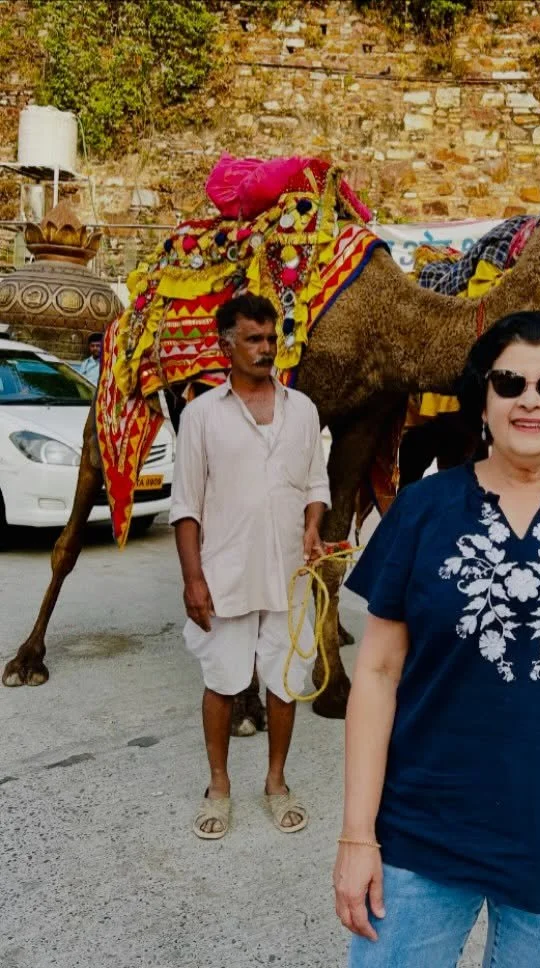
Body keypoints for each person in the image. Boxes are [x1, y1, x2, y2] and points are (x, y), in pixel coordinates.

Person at [334, 310, 540, 966]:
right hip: (423, 830)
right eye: (510, 382)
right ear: (482, 397)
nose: (530, 401)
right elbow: (376, 673)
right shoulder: (421, 511)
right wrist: (356, 834)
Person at [169, 293, 330, 840]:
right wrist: (193, 579)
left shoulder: (303, 410)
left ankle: (276, 783)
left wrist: (313, 525)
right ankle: (218, 788)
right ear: (227, 346)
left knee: (284, 681)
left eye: (271, 338)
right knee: (222, 679)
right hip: (226, 573)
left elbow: (316, 484)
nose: (266, 349)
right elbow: (186, 507)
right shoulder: (201, 415)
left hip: (290, 573)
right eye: (253, 339)